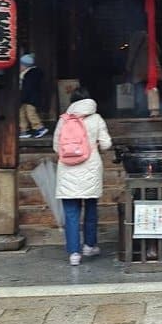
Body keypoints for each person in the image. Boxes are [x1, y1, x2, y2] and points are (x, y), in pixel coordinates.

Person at [54, 86, 113, 266]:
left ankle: (74, 253)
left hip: (67, 170)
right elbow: (106, 144)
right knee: (91, 208)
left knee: (71, 213)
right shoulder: (96, 119)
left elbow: (57, 147)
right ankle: (89, 245)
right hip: (90, 168)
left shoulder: (64, 119)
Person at [125, 27, 162, 117]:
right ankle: (154, 111)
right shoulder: (150, 38)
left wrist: (128, 67)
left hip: (140, 70)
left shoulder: (135, 38)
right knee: (152, 89)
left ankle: (142, 113)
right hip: (153, 68)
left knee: (140, 92)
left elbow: (132, 54)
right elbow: (159, 51)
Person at [19, 53, 48, 139]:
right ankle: (24, 130)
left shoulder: (31, 74)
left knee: (31, 113)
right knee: (22, 113)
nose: (20, 67)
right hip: (26, 97)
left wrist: (22, 97)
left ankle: (39, 128)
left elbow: (28, 88)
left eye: (21, 65)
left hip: (31, 98)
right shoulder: (26, 73)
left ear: (25, 66)